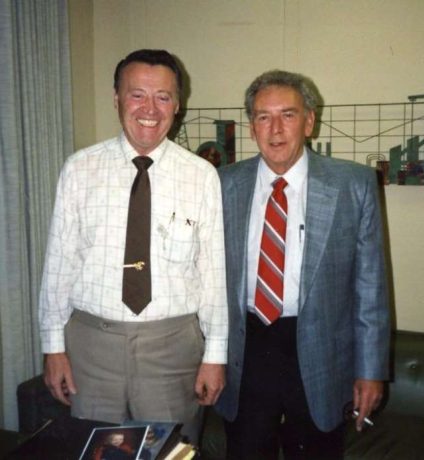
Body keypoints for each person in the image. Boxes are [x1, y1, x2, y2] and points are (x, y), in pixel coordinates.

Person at [39, 49, 228, 445]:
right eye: (137, 94)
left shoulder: (202, 176)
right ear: (116, 98)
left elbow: (213, 274)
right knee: (93, 451)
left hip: (172, 350)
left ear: (177, 105)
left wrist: (215, 355)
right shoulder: (79, 168)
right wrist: (53, 346)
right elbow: (59, 264)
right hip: (92, 351)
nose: (150, 108)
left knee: (170, 453)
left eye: (163, 96)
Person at [215, 70, 390, 459]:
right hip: (248, 348)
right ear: (251, 126)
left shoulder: (354, 184)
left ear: (310, 121)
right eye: (263, 116)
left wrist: (371, 369)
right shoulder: (222, 184)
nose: (275, 129)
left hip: (321, 353)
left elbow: (370, 287)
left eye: (288, 115)